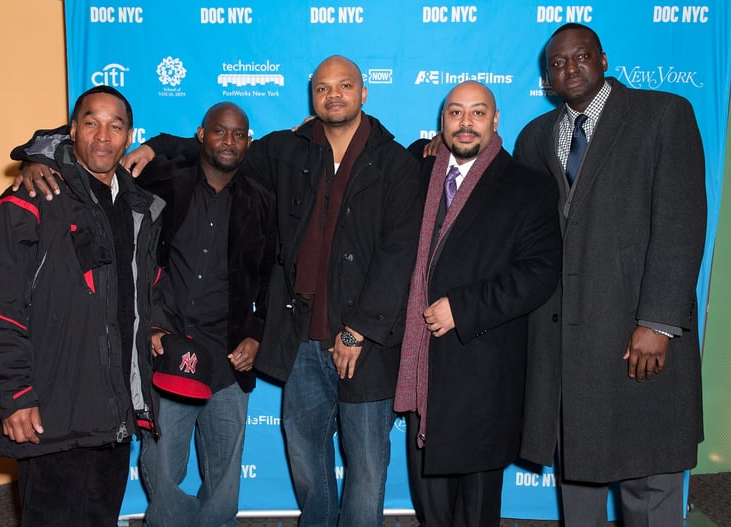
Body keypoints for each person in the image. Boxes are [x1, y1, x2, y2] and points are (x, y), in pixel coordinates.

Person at [113, 55, 422, 526]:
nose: (333, 95)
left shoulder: (396, 163)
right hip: (298, 339)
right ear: (312, 96)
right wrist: (156, 146)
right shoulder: (287, 150)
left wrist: (359, 330)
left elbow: (399, 256)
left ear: (364, 93)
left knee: (366, 466)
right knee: (307, 460)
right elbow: (219, 151)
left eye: (344, 86)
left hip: (363, 342)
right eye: (323, 87)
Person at [11, 102, 275, 527]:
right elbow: (94, 147)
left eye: (238, 134)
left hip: (229, 359)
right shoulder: (162, 181)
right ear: (200, 135)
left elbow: (268, 278)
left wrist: (256, 333)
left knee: (225, 480)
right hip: (165, 351)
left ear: (249, 141)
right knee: (163, 475)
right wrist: (35, 160)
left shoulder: (262, 200)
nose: (229, 141)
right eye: (219, 132)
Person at [514, 23, 706, 527]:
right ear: (547, 78)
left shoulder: (662, 114)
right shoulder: (535, 138)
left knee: (650, 477)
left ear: (603, 60)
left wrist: (659, 323)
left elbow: (681, 222)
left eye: (580, 57)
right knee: (579, 482)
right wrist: (431, 154)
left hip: (636, 333)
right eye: (557, 63)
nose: (569, 68)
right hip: (567, 344)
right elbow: (513, 219)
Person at [0, 86, 164, 527]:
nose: (103, 136)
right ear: (71, 131)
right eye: (91, 123)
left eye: (115, 125)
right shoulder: (31, 199)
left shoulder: (137, 207)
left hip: (112, 416)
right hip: (48, 417)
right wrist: (11, 397)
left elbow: (134, 297)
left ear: (129, 136)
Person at [395, 81, 562, 527]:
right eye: (455, 113)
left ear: (495, 119)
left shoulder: (529, 186)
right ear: (441, 121)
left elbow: (539, 274)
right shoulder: (417, 171)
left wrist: (464, 309)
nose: (465, 123)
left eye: (477, 112)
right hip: (422, 369)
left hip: (482, 370)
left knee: (476, 511)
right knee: (431, 509)